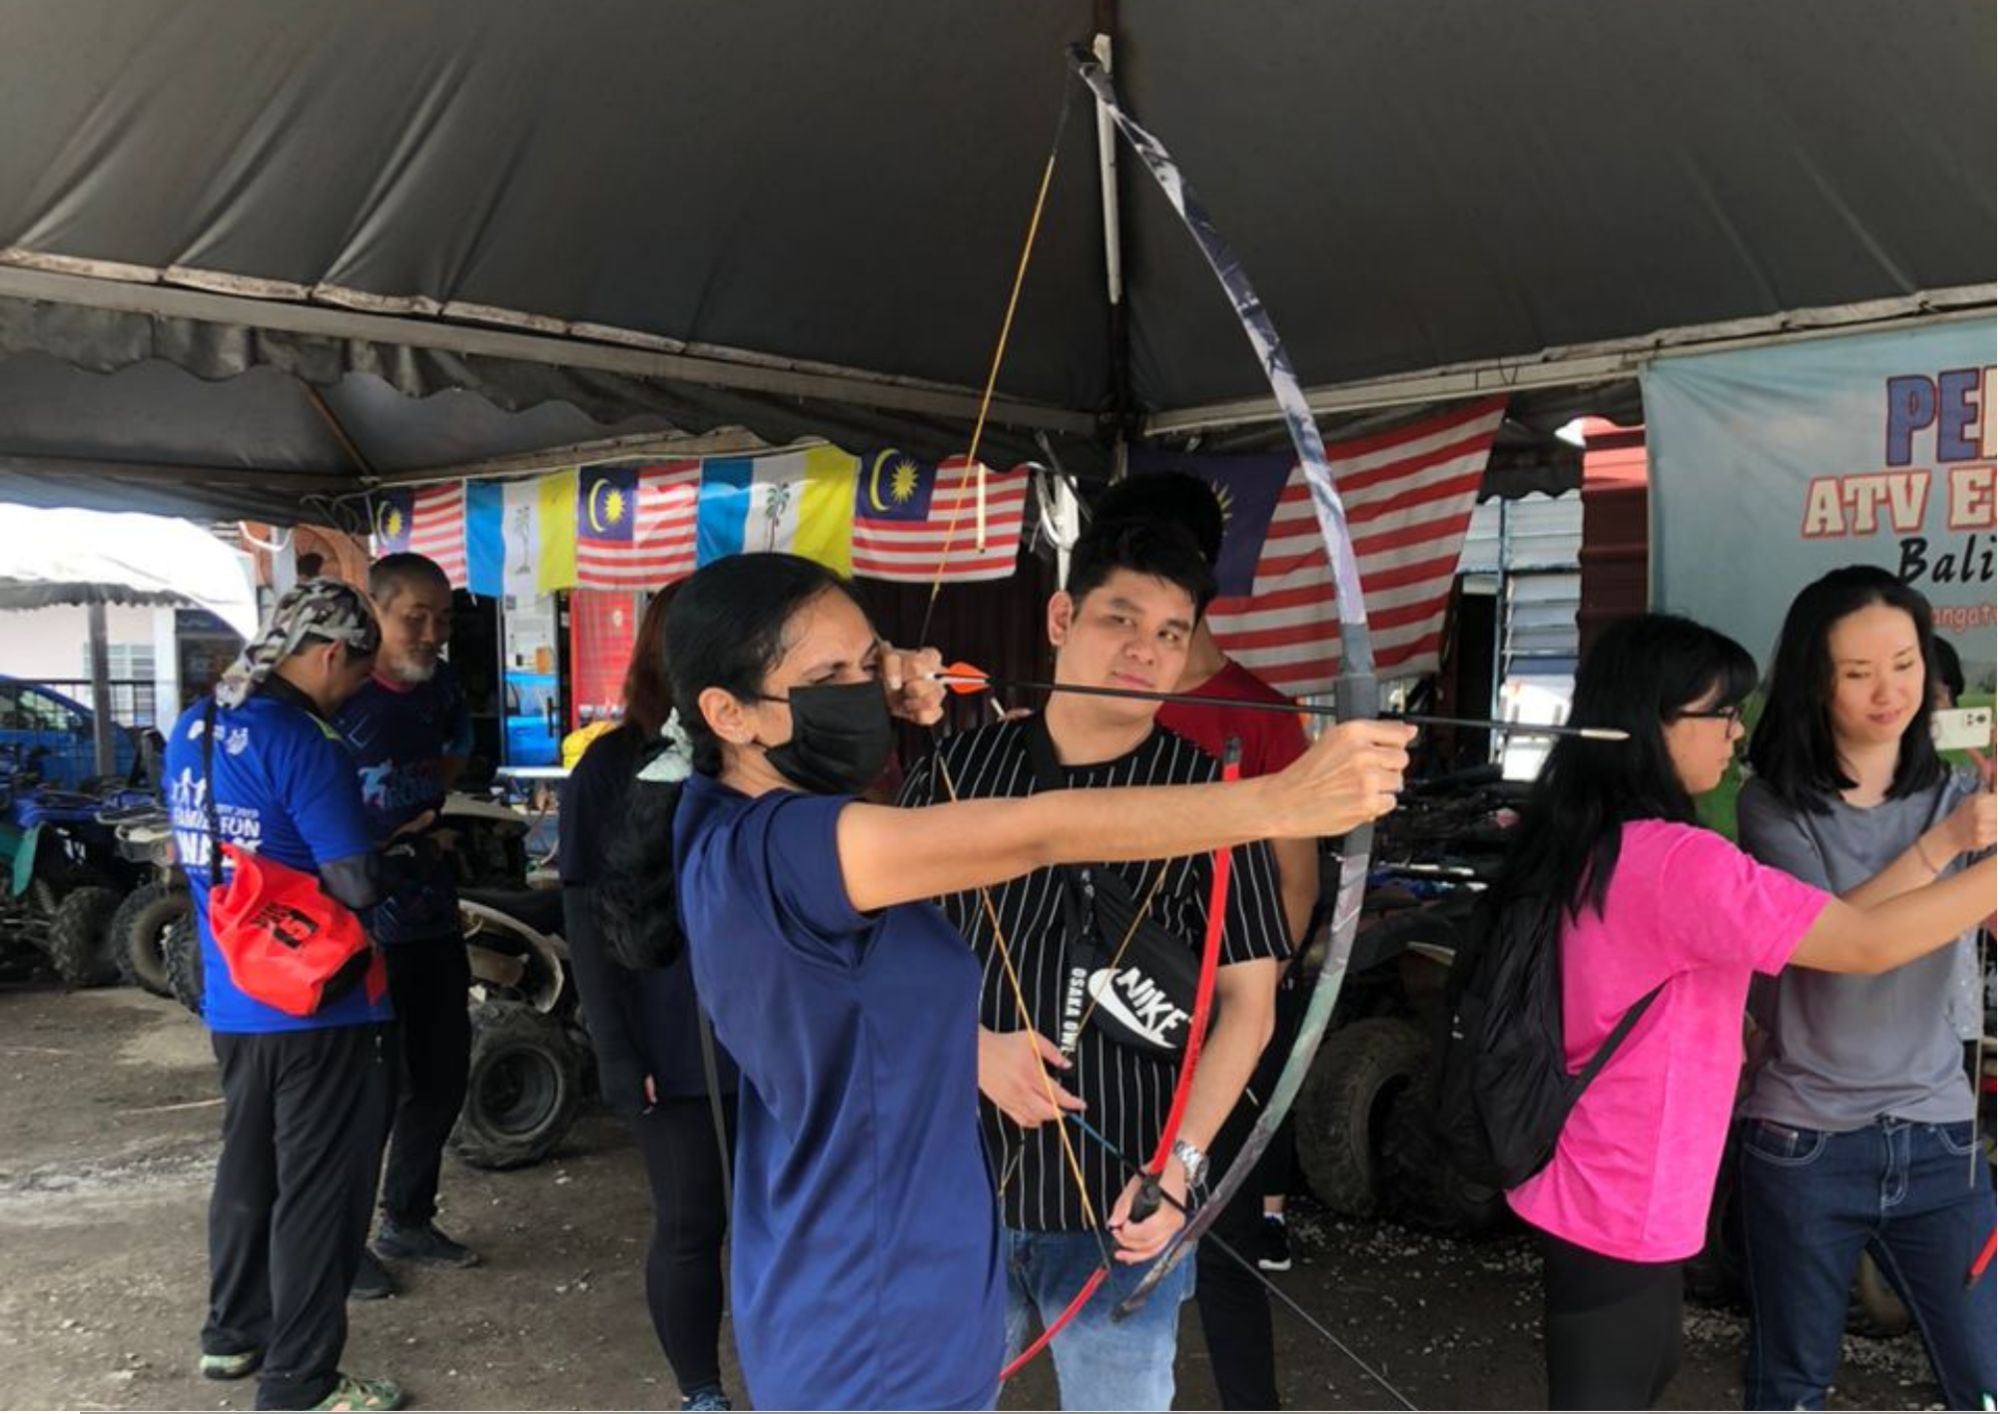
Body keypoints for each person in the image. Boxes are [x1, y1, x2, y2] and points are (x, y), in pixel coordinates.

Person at [604, 551, 1411, 1412]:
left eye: (869, 659)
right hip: (872, 1300)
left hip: (882, 1257)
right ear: (729, 712)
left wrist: (872, 686)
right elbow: (1040, 831)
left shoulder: (718, 809)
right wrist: (1283, 802)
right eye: (829, 674)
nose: (865, 685)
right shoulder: (792, 846)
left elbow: (864, 1011)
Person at [1491, 612, 1996, 1411]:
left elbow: (1833, 930)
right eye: (1719, 713)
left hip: (1607, 1181)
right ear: (1648, 724)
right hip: (1625, 1191)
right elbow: (1861, 944)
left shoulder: (1609, 836)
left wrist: (1943, 850)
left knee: (1631, 1378)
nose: (1734, 734)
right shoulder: (1676, 859)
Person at [897, 519, 1294, 1413]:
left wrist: (1182, 1166)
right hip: (948, 1185)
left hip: (1127, 1204)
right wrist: (967, 1046)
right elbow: (872, 955)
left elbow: (1250, 1006)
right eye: (1120, 619)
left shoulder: (1212, 800)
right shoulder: (957, 773)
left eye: (1170, 633)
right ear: (1060, 618)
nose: (1144, 651)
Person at [1083, 472, 1320, 1404]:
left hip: (1213, 1014)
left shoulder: (1256, 712)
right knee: (1077, 1216)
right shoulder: (1091, 699)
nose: (1140, 649)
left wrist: (1245, 1004)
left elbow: (1294, 883)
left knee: (1215, 1234)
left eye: (1164, 620)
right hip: (1089, 1015)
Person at [1734, 567, 1996, 1411]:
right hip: (1806, 1140)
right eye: (1858, 672)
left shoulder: (1966, 794)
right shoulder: (1774, 807)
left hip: (1940, 1136)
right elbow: (1827, 942)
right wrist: (1946, 850)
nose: (1890, 690)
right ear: (1816, 679)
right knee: (1791, 1384)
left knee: (1987, 1377)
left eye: (1906, 662)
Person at [164, 580, 405, 1413]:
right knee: (322, 1190)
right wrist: (398, 847)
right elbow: (355, 880)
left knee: (249, 1165)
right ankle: (301, 1380)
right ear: (332, 653)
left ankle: (231, 1336)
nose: (359, 689)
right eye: (358, 671)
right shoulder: (304, 741)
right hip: (323, 1002)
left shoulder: (194, 726)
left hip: (236, 992)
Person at [561, 589, 738, 1413]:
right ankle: (700, 1392)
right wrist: (618, 1051)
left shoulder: (768, 758)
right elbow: (586, 919)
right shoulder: (612, 765)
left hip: (773, 1036)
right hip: (670, 1038)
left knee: (786, 1225)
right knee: (692, 1223)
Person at [332, 552, 479, 1295]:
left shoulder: (442, 688)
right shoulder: (338, 695)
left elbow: (450, 759)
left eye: (442, 619)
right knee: (367, 1092)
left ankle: (408, 1217)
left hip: (429, 911)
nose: (430, 632)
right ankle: (341, 1242)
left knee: (443, 1073)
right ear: (375, 612)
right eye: (414, 617)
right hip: (355, 927)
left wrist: (417, 821)